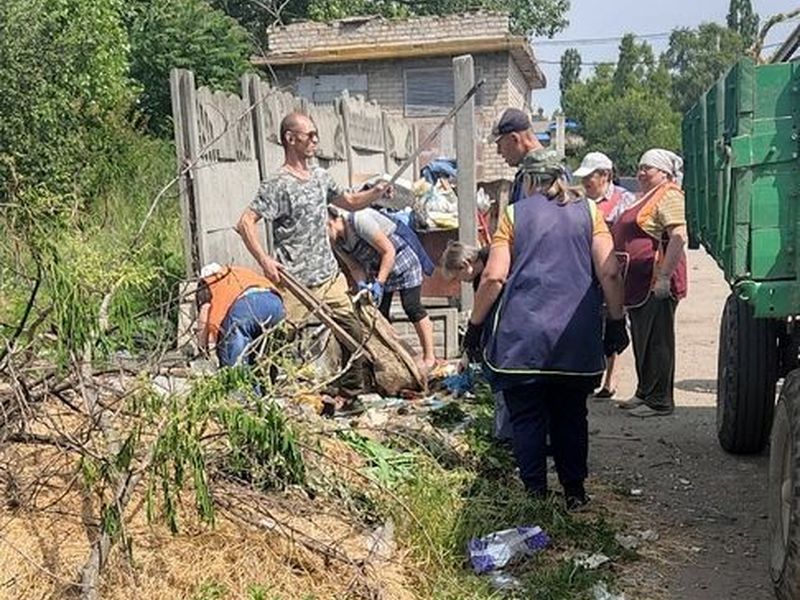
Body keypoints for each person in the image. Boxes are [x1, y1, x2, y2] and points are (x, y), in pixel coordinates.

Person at [462, 145, 628, 509]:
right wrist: (617, 321)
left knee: (527, 416)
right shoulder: (590, 212)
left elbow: (492, 277)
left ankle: (535, 493)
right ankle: (575, 493)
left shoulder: (513, 215)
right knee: (571, 414)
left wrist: (475, 327)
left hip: (522, 341)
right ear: (562, 178)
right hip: (575, 339)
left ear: (529, 181)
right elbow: (610, 271)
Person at [236, 112, 390, 398]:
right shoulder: (278, 184)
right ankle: (262, 392)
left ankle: (351, 394)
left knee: (351, 332)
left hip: (328, 276)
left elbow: (351, 202)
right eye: (310, 135)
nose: (316, 141)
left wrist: (376, 193)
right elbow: (245, 223)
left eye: (317, 135)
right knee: (280, 340)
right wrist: (265, 261)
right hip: (295, 281)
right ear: (290, 139)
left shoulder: (321, 177)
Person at [613, 149, 687, 418]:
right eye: (640, 167)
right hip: (638, 282)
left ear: (664, 173)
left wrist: (665, 277)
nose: (641, 173)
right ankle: (645, 391)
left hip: (655, 281)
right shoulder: (645, 197)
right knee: (643, 338)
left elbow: (678, 236)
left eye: (648, 168)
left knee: (658, 340)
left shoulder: (669, 194)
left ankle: (659, 400)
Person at [326, 206, 437, 372]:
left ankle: (430, 358)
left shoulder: (359, 221)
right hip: (377, 268)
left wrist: (379, 283)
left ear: (332, 220)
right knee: (379, 315)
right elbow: (355, 268)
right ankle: (396, 360)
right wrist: (363, 285)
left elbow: (388, 251)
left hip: (401, 259)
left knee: (412, 306)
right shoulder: (339, 244)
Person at [573, 151, 637, 399]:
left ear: (605, 176)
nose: (586, 182)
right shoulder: (578, 202)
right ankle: (591, 373)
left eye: (591, 176)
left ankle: (611, 378)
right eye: (584, 177)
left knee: (614, 321)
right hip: (586, 272)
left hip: (614, 271)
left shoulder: (625, 201)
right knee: (589, 322)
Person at [441, 242, 512, 443]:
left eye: (457, 276)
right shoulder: (479, 278)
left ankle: (506, 438)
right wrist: (467, 352)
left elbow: (485, 312)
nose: (460, 281)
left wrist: (475, 334)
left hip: (512, 336)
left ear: (465, 264)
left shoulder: (494, 264)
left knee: (505, 387)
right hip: (504, 336)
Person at [195, 263, 284, 368]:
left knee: (233, 366)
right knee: (265, 363)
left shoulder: (208, 282)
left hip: (246, 308)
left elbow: (204, 312)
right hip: (275, 304)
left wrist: (202, 349)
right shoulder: (238, 272)